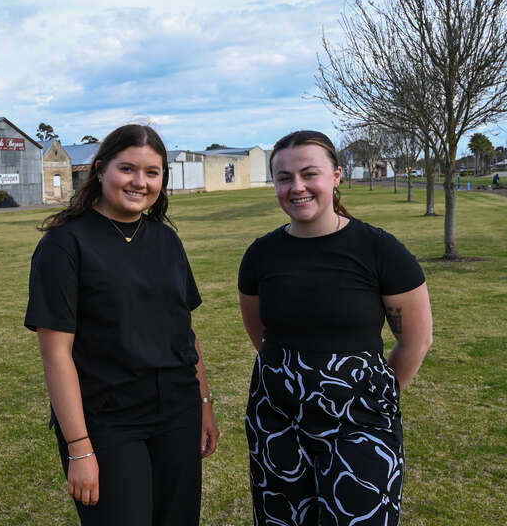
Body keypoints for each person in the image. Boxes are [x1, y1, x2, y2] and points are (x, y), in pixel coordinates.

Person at [25, 124, 219, 526]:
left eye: (153, 172)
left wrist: (203, 404)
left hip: (177, 412)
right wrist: (79, 447)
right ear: (99, 170)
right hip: (108, 419)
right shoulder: (65, 245)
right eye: (127, 169)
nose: (140, 182)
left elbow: (186, 331)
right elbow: (57, 355)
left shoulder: (166, 240)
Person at [238, 130, 433, 526]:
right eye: (284, 178)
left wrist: (373, 394)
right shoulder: (261, 254)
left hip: (360, 422)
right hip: (277, 421)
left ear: (337, 176)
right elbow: (261, 335)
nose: (297, 187)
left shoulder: (379, 250)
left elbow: (416, 338)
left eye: (310, 174)